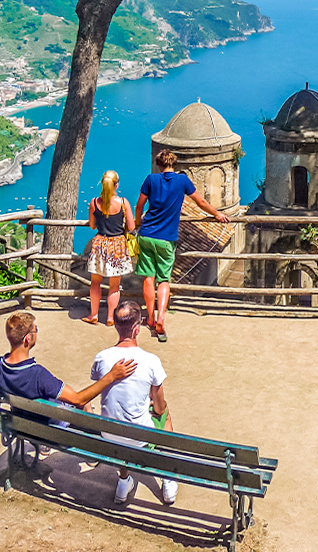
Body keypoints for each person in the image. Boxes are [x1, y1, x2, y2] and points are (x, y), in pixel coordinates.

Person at [134, 149, 226, 342]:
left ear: (159, 164)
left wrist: (137, 222)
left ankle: (150, 318)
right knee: (164, 280)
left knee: (148, 278)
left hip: (147, 234)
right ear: (174, 164)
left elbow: (140, 204)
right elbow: (200, 201)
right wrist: (217, 214)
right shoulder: (182, 181)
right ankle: (161, 317)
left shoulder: (151, 179)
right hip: (167, 238)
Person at [90, 300, 175, 505]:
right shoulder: (151, 360)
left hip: (109, 436)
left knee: (118, 414)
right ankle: (168, 477)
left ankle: (123, 481)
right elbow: (159, 406)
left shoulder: (102, 358)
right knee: (166, 413)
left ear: (117, 327)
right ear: (137, 329)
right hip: (139, 438)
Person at [0, 311, 137, 411]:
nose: (37, 332)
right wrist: (111, 376)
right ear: (27, 338)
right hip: (46, 426)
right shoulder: (37, 375)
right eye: (35, 330)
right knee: (85, 404)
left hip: (20, 420)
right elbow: (78, 399)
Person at [83, 170, 135, 326]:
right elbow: (132, 227)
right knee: (114, 286)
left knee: (95, 283)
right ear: (116, 185)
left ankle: (93, 314)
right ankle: (111, 317)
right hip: (117, 245)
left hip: (100, 243)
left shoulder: (94, 202)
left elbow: (92, 226)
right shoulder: (123, 203)